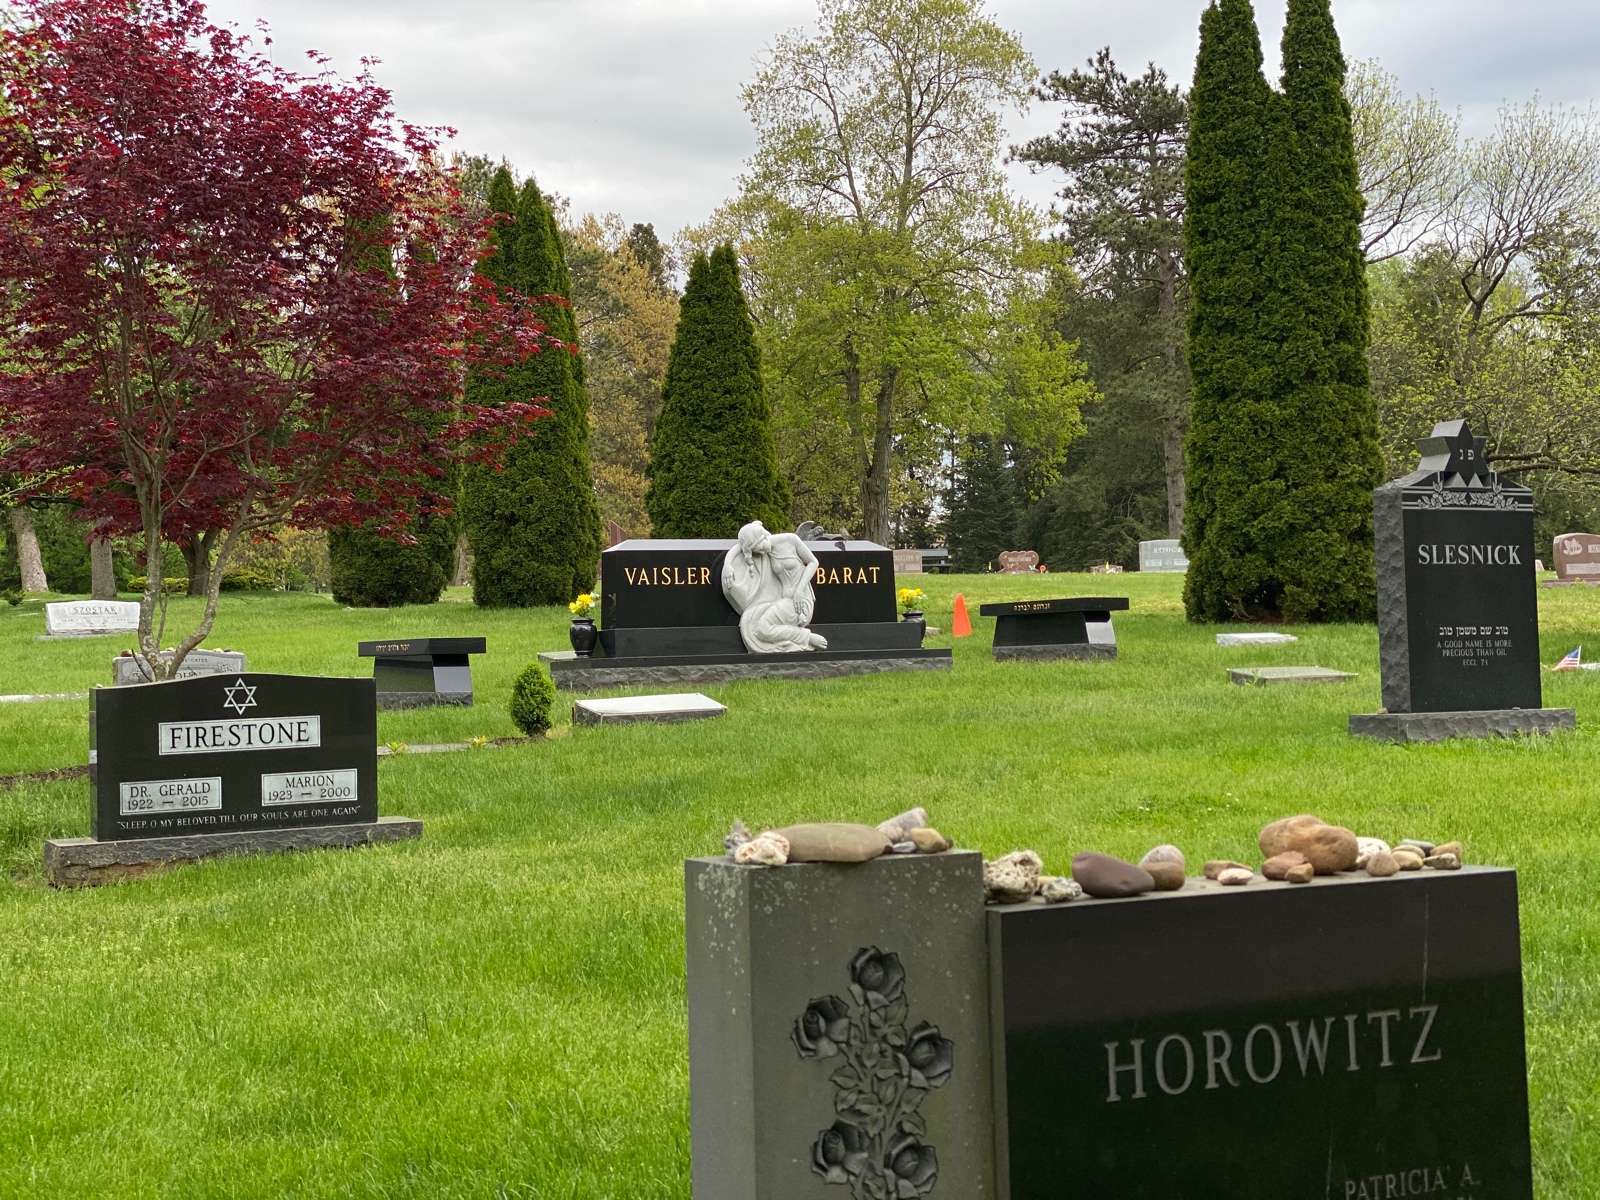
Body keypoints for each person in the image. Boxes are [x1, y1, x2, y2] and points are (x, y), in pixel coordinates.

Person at [722, 521, 829, 653]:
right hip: (783, 601)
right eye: (757, 550)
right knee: (752, 621)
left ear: (763, 536)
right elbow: (738, 547)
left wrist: (799, 590)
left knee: (762, 628)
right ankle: (804, 637)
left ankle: (807, 638)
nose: (761, 552)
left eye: (759, 547)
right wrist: (728, 565)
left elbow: (813, 562)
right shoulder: (765, 549)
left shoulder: (791, 540)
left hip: (800, 602)